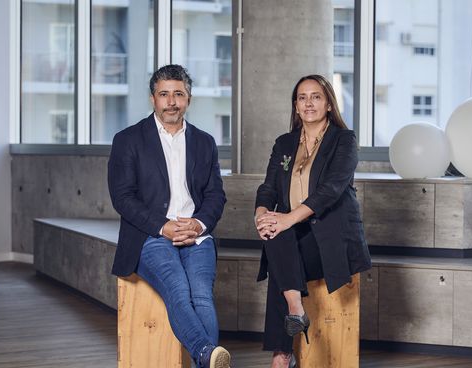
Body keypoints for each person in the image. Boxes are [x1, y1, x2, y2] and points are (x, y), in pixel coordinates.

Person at [108, 64, 230, 368]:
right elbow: (122, 198)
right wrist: (163, 227)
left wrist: (198, 223)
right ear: (153, 99)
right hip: (149, 236)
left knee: (201, 294)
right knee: (178, 287)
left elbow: (216, 194)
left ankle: (207, 358)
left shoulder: (204, 142)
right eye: (164, 94)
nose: (171, 101)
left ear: (188, 99)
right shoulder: (128, 140)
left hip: (196, 235)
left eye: (178, 94)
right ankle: (206, 354)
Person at [254, 74, 372, 368]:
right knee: (275, 233)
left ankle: (282, 354)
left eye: (316, 96)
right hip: (294, 233)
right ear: (295, 106)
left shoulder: (344, 140)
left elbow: (330, 190)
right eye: (302, 97)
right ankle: (296, 309)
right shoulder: (284, 142)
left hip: (332, 238)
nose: (309, 103)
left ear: (329, 104)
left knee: (279, 242)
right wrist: (262, 215)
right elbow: (268, 188)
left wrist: (284, 220)